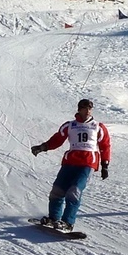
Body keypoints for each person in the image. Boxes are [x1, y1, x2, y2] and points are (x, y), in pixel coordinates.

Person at [30, 99, 111, 232]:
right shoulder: (70, 125)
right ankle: (54, 218)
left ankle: (68, 222)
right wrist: (43, 147)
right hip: (70, 161)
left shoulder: (98, 127)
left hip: (87, 163)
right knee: (57, 190)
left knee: (74, 191)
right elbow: (57, 139)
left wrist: (105, 164)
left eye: (90, 108)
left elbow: (105, 145)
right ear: (79, 109)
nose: (88, 111)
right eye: (85, 108)